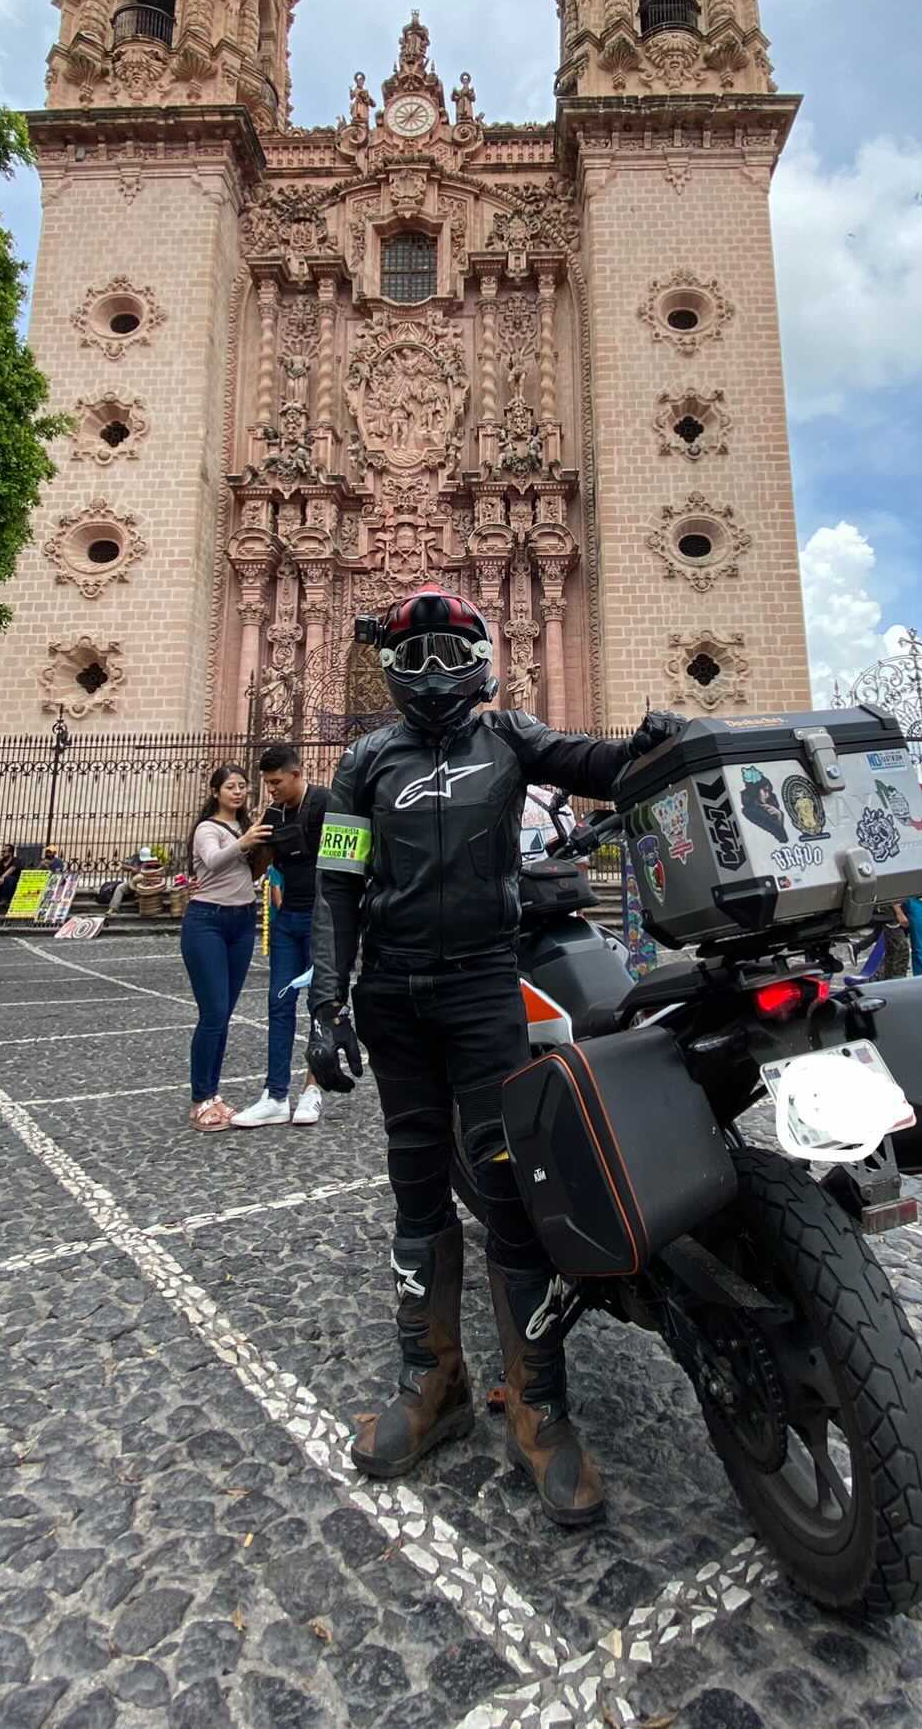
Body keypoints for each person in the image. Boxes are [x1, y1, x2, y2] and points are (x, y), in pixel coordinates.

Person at [307, 584, 683, 1527]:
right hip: (392, 995)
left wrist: (653, 742)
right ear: (390, 669)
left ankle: (539, 1401)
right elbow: (339, 888)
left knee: (509, 1185)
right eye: (414, 657)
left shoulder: (510, 739)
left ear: (477, 661)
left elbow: (598, 764)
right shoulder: (362, 765)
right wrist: (326, 1003)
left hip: (483, 988)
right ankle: (429, 1382)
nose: (433, 674)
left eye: (449, 655)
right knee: (416, 1184)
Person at [232, 744, 330, 1129]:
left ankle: (313, 1089)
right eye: (267, 783)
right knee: (279, 1004)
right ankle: (275, 1095)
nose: (271, 789)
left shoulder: (327, 802)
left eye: (276, 782)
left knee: (322, 1007)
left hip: (322, 919)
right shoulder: (273, 812)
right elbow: (258, 869)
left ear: (296, 773)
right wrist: (254, 839)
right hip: (287, 919)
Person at [181, 766, 270, 1131]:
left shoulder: (242, 828)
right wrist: (246, 841)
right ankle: (201, 1099)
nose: (238, 792)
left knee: (224, 1014)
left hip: (242, 920)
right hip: (207, 922)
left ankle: (213, 1095)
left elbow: (248, 873)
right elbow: (215, 861)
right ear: (216, 792)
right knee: (213, 1012)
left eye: (243, 786)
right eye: (230, 787)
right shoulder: (207, 829)